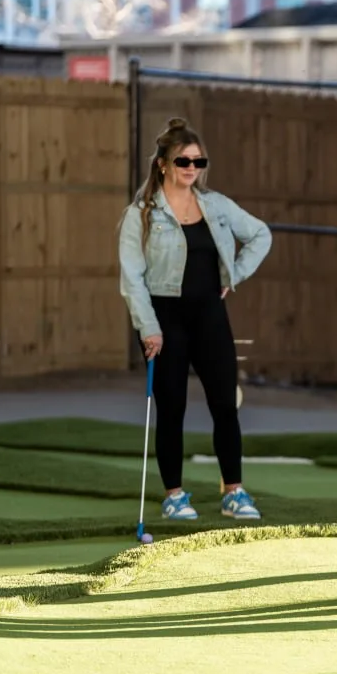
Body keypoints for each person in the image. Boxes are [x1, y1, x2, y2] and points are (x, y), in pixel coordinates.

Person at [118, 118, 273, 522]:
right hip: (164, 318)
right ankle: (174, 495)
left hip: (210, 315)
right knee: (172, 408)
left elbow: (260, 235)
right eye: (183, 161)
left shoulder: (216, 205)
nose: (192, 168)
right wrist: (147, 327)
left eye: (198, 161)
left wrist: (233, 274)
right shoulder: (141, 215)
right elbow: (132, 278)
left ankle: (234, 492)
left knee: (225, 405)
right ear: (163, 164)